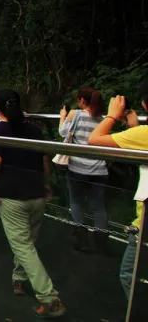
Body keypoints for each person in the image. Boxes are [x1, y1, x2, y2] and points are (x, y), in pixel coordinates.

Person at [0, 89, 65, 318]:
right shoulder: (34, 130)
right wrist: (46, 184)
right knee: (28, 242)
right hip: (36, 194)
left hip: (13, 197)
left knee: (23, 245)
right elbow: (44, 161)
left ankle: (49, 298)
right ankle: (19, 279)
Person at [88, 93, 147, 298]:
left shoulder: (145, 134)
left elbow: (94, 140)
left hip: (145, 224)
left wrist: (112, 116)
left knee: (129, 275)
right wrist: (134, 129)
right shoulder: (142, 135)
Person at [59, 87, 107, 253]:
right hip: (99, 169)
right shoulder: (104, 118)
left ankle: (81, 239)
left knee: (76, 201)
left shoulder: (76, 114)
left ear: (81, 100)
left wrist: (62, 117)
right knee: (99, 206)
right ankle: (101, 242)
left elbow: (63, 132)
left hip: (77, 167)